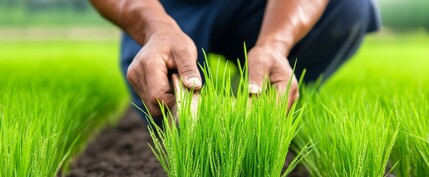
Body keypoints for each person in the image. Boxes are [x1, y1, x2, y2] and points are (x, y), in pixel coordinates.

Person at [90, 0, 380, 123]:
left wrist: (275, 43)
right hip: (166, 9)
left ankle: (263, 100)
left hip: (258, 8)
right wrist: (155, 29)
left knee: (349, 8)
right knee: (161, 104)